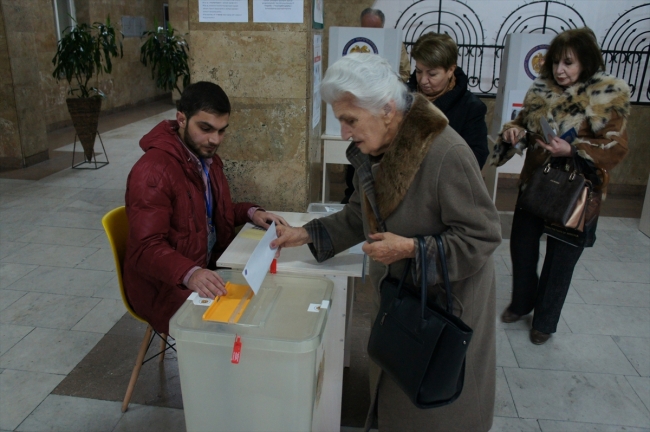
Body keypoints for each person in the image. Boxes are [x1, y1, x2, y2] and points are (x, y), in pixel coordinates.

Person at [272, 53, 501, 432]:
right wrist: (306, 233)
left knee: (433, 407)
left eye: (350, 120)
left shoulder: (447, 154)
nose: (344, 132)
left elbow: (483, 235)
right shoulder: (383, 146)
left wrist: (412, 249)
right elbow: (360, 215)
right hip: (405, 306)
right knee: (398, 392)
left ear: (388, 110)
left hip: (443, 311)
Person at [492, 27, 631, 345]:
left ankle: (545, 321)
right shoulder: (542, 91)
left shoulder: (608, 95)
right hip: (536, 184)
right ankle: (522, 303)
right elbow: (521, 122)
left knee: (561, 260)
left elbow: (616, 146)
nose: (559, 69)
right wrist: (513, 134)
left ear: (587, 62)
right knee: (522, 249)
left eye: (568, 62)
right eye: (555, 62)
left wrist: (574, 148)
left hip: (578, 193)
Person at [123, 81, 286, 334]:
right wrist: (191, 273)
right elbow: (146, 248)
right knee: (245, 328)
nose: (214, 140)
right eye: (206, 128)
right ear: (181, 119)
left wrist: (253, 213)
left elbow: (209, 214)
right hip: (164, 288)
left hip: (204, 267)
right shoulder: (153, 171)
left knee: (269, 297)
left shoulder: (204, 159)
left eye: (221, 131)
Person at [342, 8, 413, 204]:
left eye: (375, 29)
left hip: (381, 108)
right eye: (367, 28)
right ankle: (353, 197)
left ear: (382, 26)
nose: (371, 32)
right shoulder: (353, 40)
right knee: (357, 152)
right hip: (356, 105)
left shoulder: (394, 43)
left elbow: (405, 74)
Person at [407, 32, 489, 168]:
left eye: (432, 74)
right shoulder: (402, 97)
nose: (422, 80)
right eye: (418, 71)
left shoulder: (471, 108)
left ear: (451, 70)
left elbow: (476, 157)